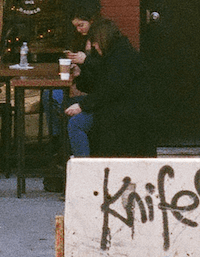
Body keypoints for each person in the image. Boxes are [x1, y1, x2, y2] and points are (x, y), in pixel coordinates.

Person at [64, 17, 157, 158]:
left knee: (76, 124)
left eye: (94, 42)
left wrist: (82, 105)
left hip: (123, 111)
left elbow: (110, 89)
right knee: (66, 107)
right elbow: (100, 85)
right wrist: (80, 74)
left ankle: (84, 168)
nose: (93, 46)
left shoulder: (121, 57)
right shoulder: (115, 53)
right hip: (116, 105)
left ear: (102, 39)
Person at [51, 11, 100, 157]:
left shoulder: (98, 41)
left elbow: (102, 75)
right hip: (89, 91)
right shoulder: (80, 40)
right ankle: (58, 139)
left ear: (91, 21)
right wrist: (77, 67)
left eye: (81, 25)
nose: (79, 29)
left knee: (58, 98)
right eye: (76, 26)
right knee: (51, 95)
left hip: (95, 98)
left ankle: (63, 145)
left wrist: (85, 63)